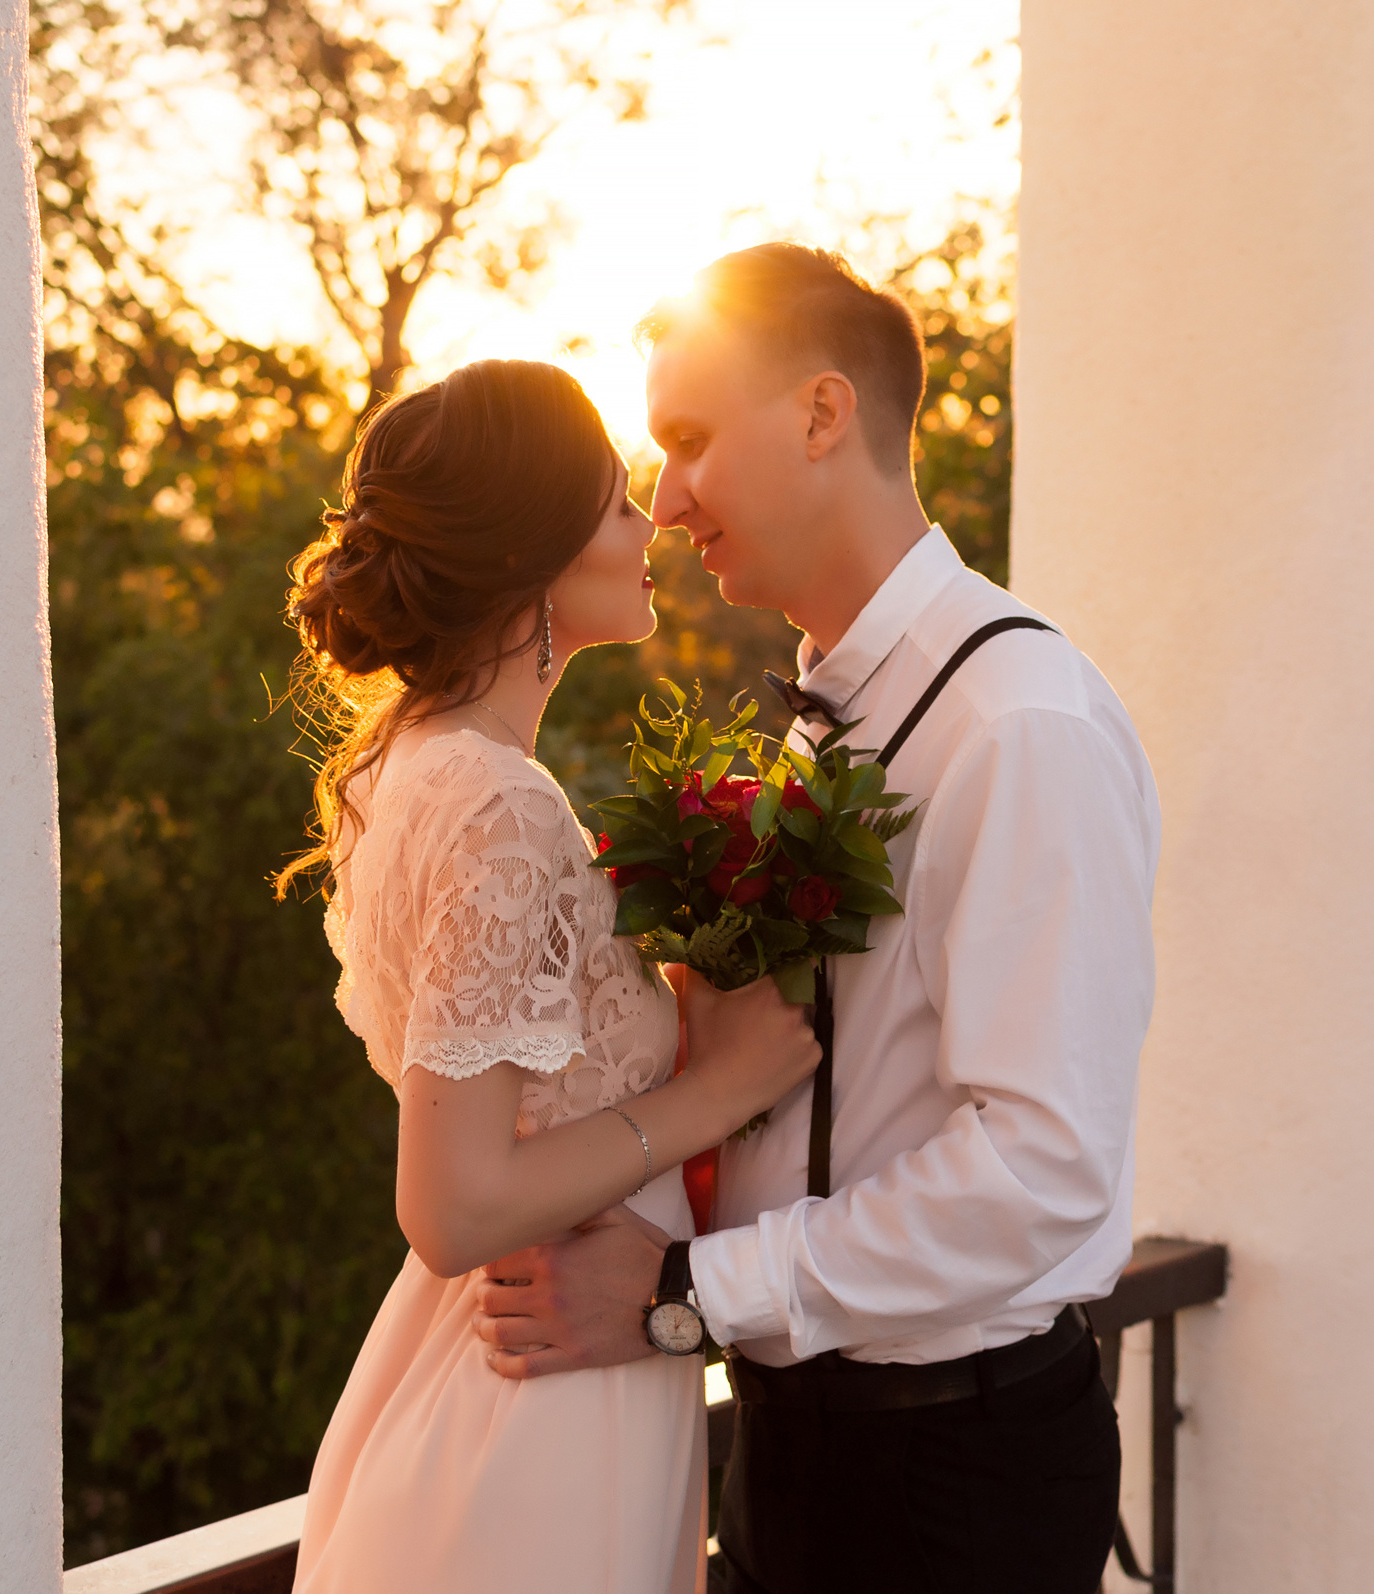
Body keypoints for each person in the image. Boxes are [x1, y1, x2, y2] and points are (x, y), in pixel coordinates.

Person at [472, 245, 1161, 1593]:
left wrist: (684, 1288)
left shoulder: (1020, 725)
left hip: (951, 1478)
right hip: (800, 1450)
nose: (663, 502)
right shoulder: (826, 716)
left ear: (821, 415)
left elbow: (1043, 1165)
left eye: (686, 442)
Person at [278, 358, 822, 1594]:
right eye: (620, 502)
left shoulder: (415, 767)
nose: (652, 530)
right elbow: (454, 1203)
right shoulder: (497, 805)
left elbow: (528, 1073)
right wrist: (713, 1089)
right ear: (532, 545)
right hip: (531, 1409)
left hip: (524, 1364)